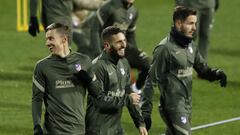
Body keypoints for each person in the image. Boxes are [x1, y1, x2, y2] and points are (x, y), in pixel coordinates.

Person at [32, 23, 141, 135]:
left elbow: (99, 95)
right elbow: (37, 99)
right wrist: (37, 126)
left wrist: (88, 80)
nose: (47, 43)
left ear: (64, 39)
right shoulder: (42, 67)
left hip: (78, 130)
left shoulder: (83, 61)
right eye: (47, 39)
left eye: (50, 39)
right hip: (53, 131)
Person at [141, 6, 227, 135]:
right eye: (190, 23)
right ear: (179, 24)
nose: (194, 28)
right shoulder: (165, 49)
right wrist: (146, 113)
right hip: (172, 107)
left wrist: (216, 74)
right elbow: (150, 81)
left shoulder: (190, 45)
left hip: (186, 105)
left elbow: (202, 69)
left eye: (195, 23)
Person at [85, 26, 148, 135]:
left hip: (116, 128)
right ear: (107, 45)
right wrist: (128, 99)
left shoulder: (124, 63)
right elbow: (100, 101)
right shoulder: (98, 67)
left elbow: (128, 91)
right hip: (98, 130)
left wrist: (140, 122)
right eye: (119, 42)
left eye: (124, 40)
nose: (124, 45)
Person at [89, 0, 151, 90]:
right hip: (108, 49)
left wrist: (135, 52)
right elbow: (94, 30)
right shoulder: (108, 7)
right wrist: (98, 53)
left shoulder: (134, 11)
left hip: (123, 48)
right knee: (111, 83)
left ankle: (136, 90)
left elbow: (130, 34)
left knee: (147, 64)